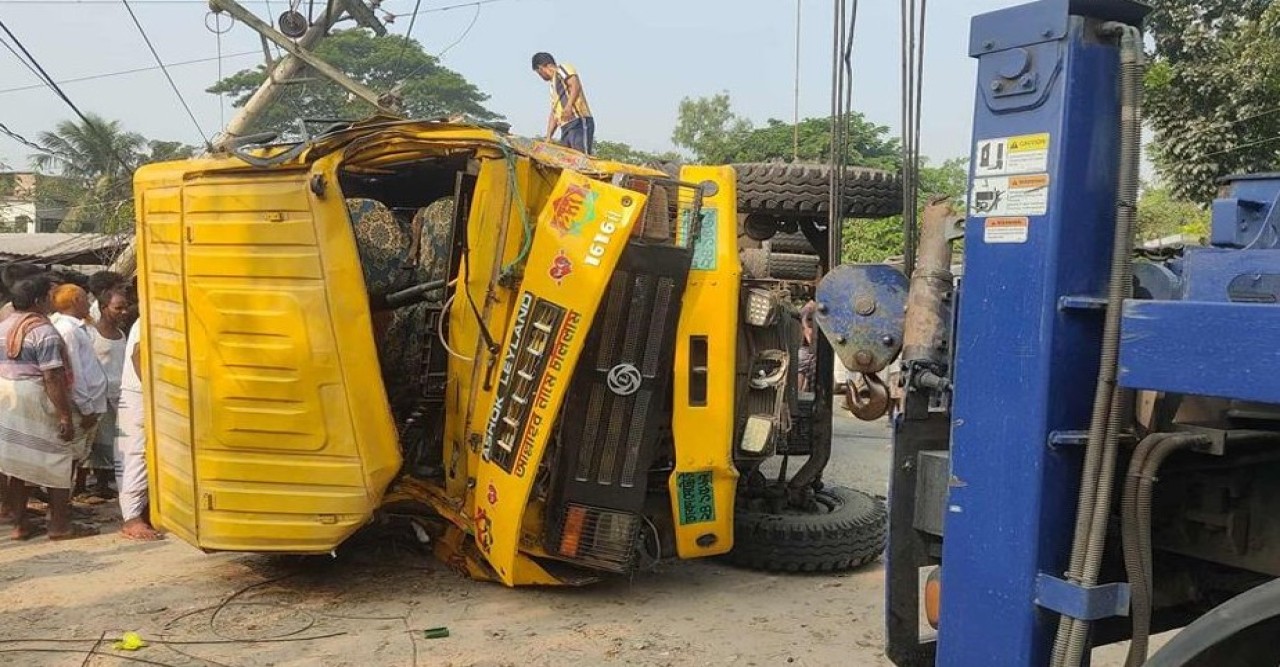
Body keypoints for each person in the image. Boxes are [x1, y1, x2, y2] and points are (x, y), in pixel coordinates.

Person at [0, 275, 99, 540]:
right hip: (35, 397)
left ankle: (20, 524)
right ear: (39, 300)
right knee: (58, 459)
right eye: (48, 296)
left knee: (17, 464)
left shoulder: (4, 325)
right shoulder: (43, 331)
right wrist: (65, 415)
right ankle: (59, 524)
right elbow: (53, 376)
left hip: (8, 398)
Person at [49, 284, 110, 496]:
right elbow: (73, 373)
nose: (89, 304)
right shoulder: (68, 330)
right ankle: (61, 506)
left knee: (76, 457)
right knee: (69, 459)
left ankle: (64, 504)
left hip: (87, 404)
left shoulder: (75, 327)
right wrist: (86, 409)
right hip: (80, 407)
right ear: (76, 301)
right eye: (85, 299)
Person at [115, 314, 161, 540]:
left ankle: (144, 511)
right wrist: (153, 392)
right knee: (136, 454)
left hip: (145, 392)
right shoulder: (151, 316)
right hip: (139, 393)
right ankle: (132, 518)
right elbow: (138, 354)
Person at [85, 287, 129, 498]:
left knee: (111, 440)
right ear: (103, 308)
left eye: (125, 307)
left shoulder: (121, 335)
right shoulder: (91, 334)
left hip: (118, 395)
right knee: (95, 441)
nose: (124, 312)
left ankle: (103, 484)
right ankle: (83, 486)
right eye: (118, 308)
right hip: (98, 396)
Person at [532, 52, 595, 155]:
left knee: (580, 156)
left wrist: (569, 106)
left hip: (578, 121)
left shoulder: (562, 69)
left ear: (541, 68)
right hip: (565, 126)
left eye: (539, 73)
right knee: (567, 158)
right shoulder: (552, 87)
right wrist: (548, 137)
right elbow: (554, 113)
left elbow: (575, 85)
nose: (540, 76)